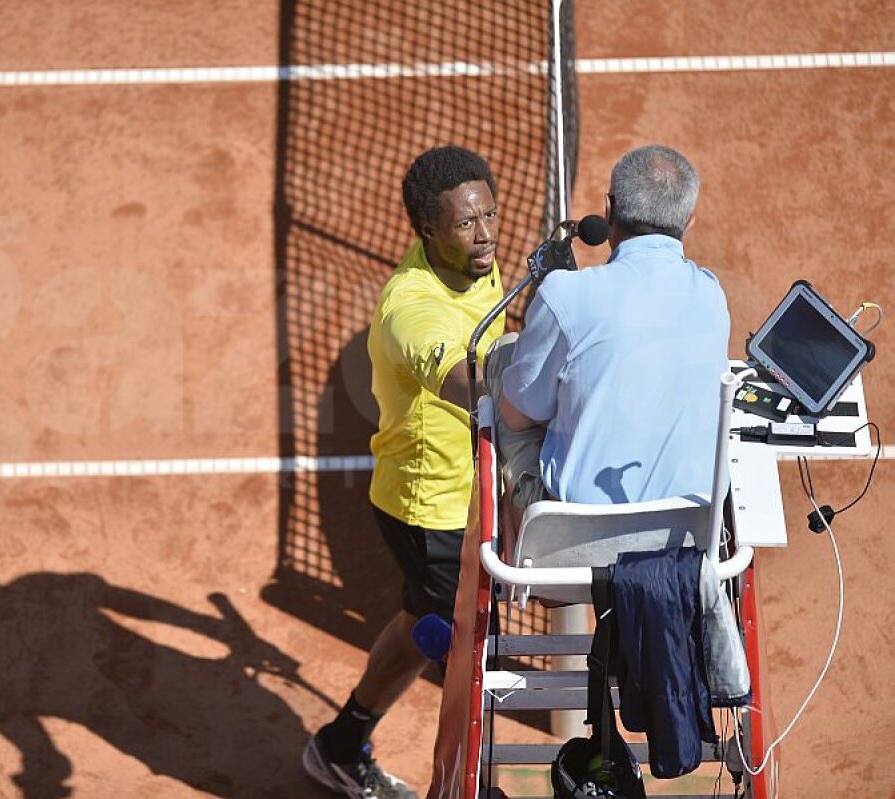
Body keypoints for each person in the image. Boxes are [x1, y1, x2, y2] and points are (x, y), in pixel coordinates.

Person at [302, 145, 506, 799]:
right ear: (426, 230)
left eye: (490, 215)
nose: (485, 235)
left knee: (424, 617)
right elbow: (469, 382)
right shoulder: (409, 309)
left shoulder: (479, 263)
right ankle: (463, 785)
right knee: (472, 658)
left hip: (473, 490)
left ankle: (340, 742)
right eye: (466, 224)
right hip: (430, 506)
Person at [491, 144, 729, 527]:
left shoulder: (563, 294)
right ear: (689, 223)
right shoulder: (712, 295)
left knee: (502, 358)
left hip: (573, 545)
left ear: (608, 210)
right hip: (685, 542)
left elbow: (517, 418)